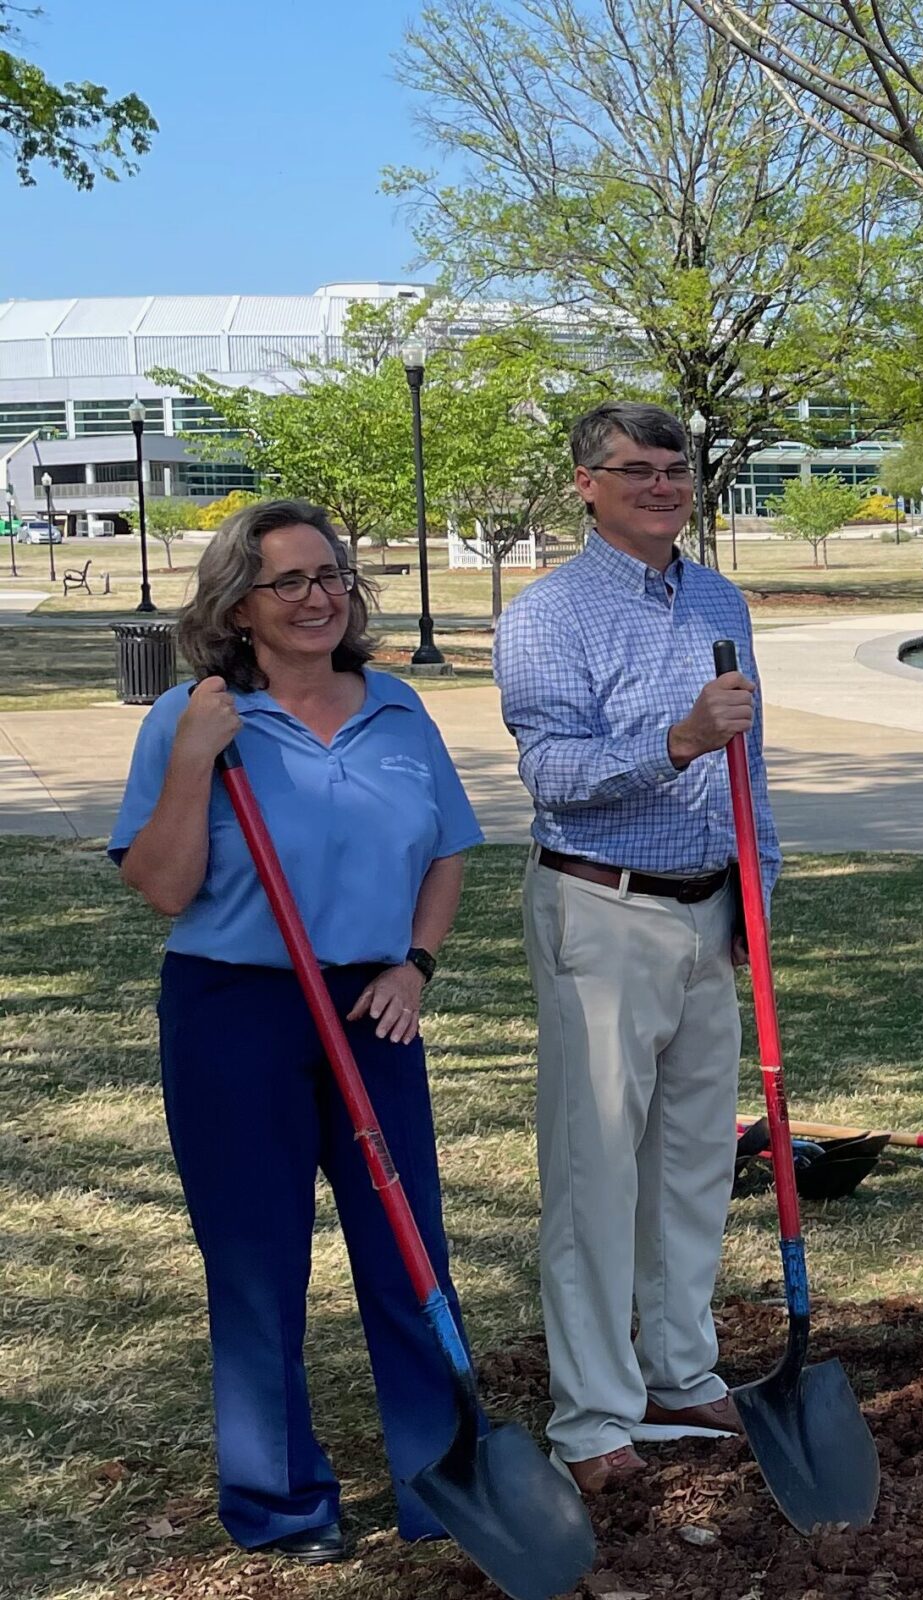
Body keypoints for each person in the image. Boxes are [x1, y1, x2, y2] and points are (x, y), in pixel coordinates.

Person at [110, 499, 483, 1564]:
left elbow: (450, 845)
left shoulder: (399, 706)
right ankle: (281, 1503)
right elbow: (164, 887)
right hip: (236, 1009)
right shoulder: (192, 713)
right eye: (292, 582)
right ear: (239, 604)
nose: (321, 597)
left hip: (373, 1008)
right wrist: (194, 760)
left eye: (333, 576)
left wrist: (415, 965)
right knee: (257, 1260)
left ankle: (444, 1477)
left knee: (410, 1249)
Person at [494, 401, 778, 1495]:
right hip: (601, 908)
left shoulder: (715, 596)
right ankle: (593, 1409)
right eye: (635, 470)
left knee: (698, 1159)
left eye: (675, 469)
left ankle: (677, 1365)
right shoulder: (547, 614)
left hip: (711, 905)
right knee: (595, 1167)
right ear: (586, 484)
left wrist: (760, 891)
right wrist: (676, 739)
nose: (662, 486)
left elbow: (751, 764)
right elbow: (551, 775)